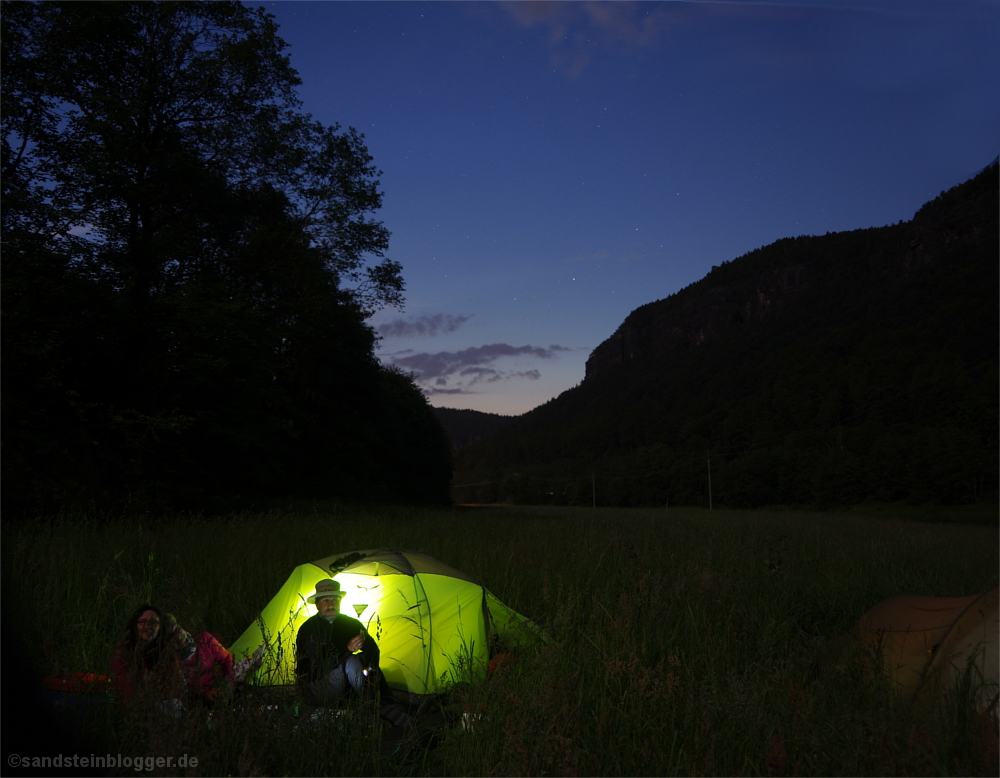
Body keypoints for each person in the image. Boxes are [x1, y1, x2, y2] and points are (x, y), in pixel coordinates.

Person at [296, 578, 414, 728]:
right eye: (325, 601)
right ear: (317, 604)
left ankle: (382, 705)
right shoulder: (309, 629)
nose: (330, 605)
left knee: (362, 661)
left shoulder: (350, 624)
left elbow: (372, 649)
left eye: (334, 600)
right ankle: (375, 706)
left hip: (350, 685)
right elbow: (315, 668)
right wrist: (347, 650)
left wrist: (369, 668)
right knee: (350, 660)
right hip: (318, 686)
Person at [110, 604, 183, 706]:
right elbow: (125, 691)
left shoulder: (167, 653)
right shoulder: (124, 653)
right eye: (142, 622)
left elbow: (176, 687)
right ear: (135, 626)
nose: (147, 626)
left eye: (153, 623)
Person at [165, 615, 234, 707]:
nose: (177, 636)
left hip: (219, 688)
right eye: (171, 636)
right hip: (197, 703)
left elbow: (227, 659)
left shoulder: (204, 639)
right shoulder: (169, 660)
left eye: (177, 630)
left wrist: (226, 685)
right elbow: (177, 692)